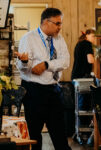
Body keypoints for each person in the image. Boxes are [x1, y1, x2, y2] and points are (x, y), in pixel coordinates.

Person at [15, 8, 71, 150]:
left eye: (60, 23)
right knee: (34, 136)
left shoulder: (59, 39)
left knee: (60, 135)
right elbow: (24, 69)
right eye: (57, 23)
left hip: (54, 90)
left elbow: (66, 61)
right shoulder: (29, 38)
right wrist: (25, 62)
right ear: (46, 22)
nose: (60, 27)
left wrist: (46, 64)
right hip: (34, 91)